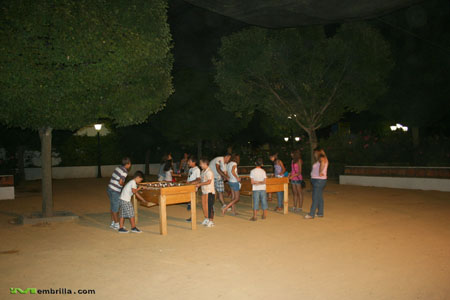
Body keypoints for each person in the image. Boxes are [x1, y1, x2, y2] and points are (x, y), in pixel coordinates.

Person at [107, 157, 132, 230]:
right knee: (116, 208)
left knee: (112, 206)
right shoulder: (124, 171)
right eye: (130, 164)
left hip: (109, 188)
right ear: (127, 164)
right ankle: (117, 224)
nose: (130, 165)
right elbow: (120, 182)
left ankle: (113, 222)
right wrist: (125, 185)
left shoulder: (118, 168)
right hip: (115, 190)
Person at [305, 147, 329, 219]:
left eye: (315, 153)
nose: (314, 154)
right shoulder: (323, 158)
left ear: (317, 152)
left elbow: (323, 163)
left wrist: (320, 171)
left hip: (319, 180)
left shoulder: (322, 158)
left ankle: (311, 214)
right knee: (319, 197)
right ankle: (320, 213)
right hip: (318, 180)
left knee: (315, 197)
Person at [197, 158, 215, 228]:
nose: (200, 165)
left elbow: (209, 181)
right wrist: (197, 185)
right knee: (204, 206)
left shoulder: (209, 172)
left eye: (201, 163)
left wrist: (200, 184)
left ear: (205, 164)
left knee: (209, 206)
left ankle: (211, 221)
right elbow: (201, 180)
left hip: (210, 191)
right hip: (204, 191)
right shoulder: (203, 171)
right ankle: (207, 218)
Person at [185, 156, 201, 222]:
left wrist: (190, 182)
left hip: (193, 187)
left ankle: (192, 217)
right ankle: (192, 216)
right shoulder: (191, 169)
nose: (188, 163)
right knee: (191, 203)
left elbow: (198, 179)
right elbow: (189, 178)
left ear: (194, 162)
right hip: (189, 187)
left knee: (193, 204)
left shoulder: (197, 169)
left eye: (189, 161)